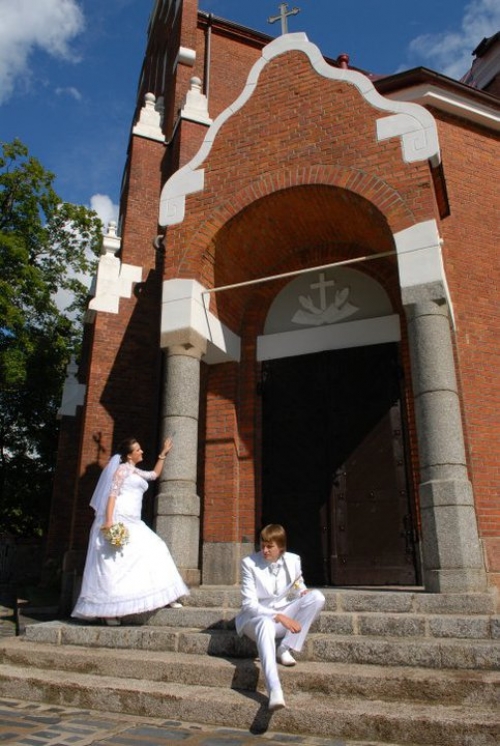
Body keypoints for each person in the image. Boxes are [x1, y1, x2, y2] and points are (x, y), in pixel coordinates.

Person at [72, 436, 189, 624]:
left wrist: (163, 454)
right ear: (129, 455)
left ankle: (165, 595)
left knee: (156, 547)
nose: (141, 452)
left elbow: (153, 475)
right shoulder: (121, 471)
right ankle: (109, 611)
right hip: (120, 519)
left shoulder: (134, 471)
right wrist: (109, 522)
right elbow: (112, 495)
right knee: (115, 564)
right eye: (138, 450)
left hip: (135, 521)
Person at [235, 524, 325, 711]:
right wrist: (277, 616)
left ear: (281, 548)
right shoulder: (249, 563)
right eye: (263, 545)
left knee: (317, 597)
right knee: (266, 625)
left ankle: (285, 647)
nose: (265, 550)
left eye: (270, 546)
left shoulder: (293, 560)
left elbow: (298, 584)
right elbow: (249, 605)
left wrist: (303, 592)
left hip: (283, 612)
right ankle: (274, 687)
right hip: (255, 618)